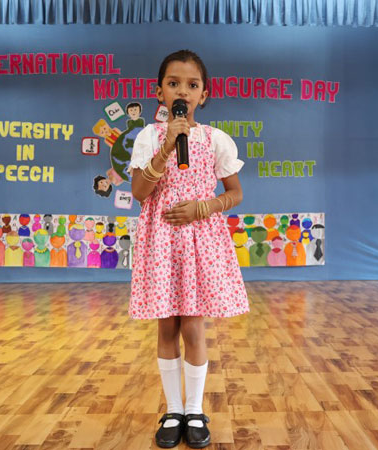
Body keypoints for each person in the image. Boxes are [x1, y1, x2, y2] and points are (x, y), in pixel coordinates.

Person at [128, 49, 249, 449]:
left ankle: (195, 409)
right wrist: (166, 146)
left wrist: (204, 207)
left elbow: (235, 192)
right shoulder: (148, 137)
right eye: (173, 83)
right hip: (161, 240)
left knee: (193, 326)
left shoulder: (216, 140)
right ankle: (174, 409)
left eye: (192, 85)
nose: (182, 91)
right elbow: (140, 192)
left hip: (200, 240)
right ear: (159, 92)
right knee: (167, 325)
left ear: (203, 94)